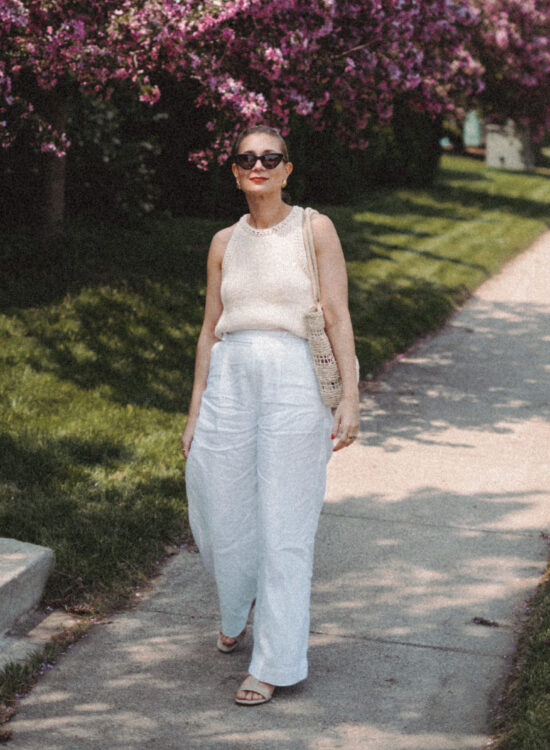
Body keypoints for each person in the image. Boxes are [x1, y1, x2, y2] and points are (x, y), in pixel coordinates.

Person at [181, 125, 360, 705]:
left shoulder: (314, 229)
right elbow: (209, 331)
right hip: (230, 379)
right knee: (216, 509)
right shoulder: (222, 242)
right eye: (246, 158)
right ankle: (237, 605)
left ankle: (274, 663)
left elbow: (337, 317)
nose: (258, 166)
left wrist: (350, 397)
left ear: (287, 169)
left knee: (284, 524)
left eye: (270, 158)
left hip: (294, 381)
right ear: (234, 172)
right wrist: (194, 410)